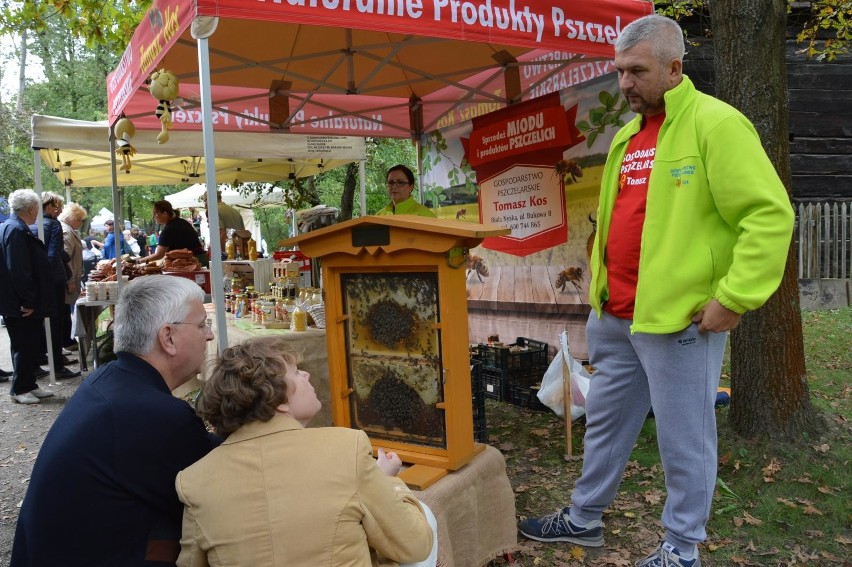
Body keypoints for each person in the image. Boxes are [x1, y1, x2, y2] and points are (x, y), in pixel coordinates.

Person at [517, 14, 794, 567]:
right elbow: (619, 222)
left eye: (636, 71)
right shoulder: (625, 136)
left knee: (684, 441)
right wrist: (599, 292)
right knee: (605, 424)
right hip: (617, 316)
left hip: (680, 321)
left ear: (674, 68)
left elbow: (768, 215)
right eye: (619, 72)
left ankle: (682, 548)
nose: (624, 84)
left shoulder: (717, 125)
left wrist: (734, 297)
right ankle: (584, 518)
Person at [11, 275, 221, 565]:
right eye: (202, 326)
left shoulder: (111, 379)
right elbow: (220, 488)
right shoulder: (153, 413)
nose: (209, 336)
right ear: (168, 337)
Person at [175, 337, 437, 567]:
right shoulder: (347, 447)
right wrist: (390, 482)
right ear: (278, 400)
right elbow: (415, 544)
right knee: (425, 516)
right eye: (297, 372)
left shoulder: (193, 481)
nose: (307, 376)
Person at [0, 189, 57, 403]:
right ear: (31, 209)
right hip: (19, 303)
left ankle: (28, 383)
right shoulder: (15, 229)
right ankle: (20, 389)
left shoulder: (14, 227)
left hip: (16, 300)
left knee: (29, 344)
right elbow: (19, 269)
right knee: (24, 345)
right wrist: (28, 300)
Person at [29, 192, 80, 380]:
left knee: (40, 323)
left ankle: (40, 358)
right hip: (53, 281)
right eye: (57, 206)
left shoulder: (32, 225)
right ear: (48, 207)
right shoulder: (54, 225)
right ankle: (57, 365)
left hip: (36, 281)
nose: (59, 209)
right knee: (56, 322)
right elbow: (52, 255)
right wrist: (62, 279)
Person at [136, 200, 209, 267]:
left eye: (155, 213)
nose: (153, 216)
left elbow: (159, 255)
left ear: (164, 213)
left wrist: (139, 261)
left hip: (192, 263)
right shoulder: (183, 222)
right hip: (201, 260)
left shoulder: (168, 230)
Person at [57, 203, 87, 353]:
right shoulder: (67, 232)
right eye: (79, 220)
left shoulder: (67, 230)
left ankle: (66, 340)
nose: (80, 223)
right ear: (72, 218)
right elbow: (65, 258)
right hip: (67, 278)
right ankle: (66, 341)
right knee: (63, 311)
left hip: (70, 276)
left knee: (64, 310)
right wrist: (69, 281)